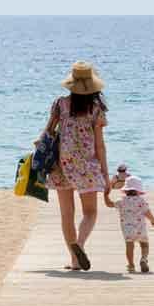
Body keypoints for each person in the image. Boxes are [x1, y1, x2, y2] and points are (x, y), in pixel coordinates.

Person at [45, 61, 111, 271]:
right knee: (90, 212)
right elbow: (100, 145)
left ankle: (74, 260)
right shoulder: (96, 109)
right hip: (87, 165)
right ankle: (79, 245)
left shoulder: (59, 104)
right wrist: (105, 174)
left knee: (67, 214)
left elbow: (47, 133)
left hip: (61, 163)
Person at [116, 176, 154, 273]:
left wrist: (105, 196)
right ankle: (143, 259)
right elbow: (147, 212)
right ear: (138, 191)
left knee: (130, 246)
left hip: (127, 229)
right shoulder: (141, 201)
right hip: (140, 228)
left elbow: (109, 204)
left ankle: (131, 265)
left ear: (126, 190)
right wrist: (152, 220)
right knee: (144, 244)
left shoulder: (121, 201)